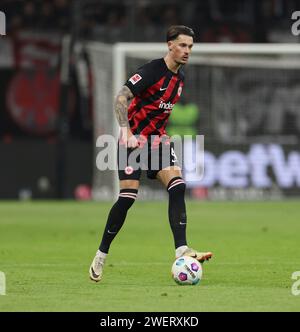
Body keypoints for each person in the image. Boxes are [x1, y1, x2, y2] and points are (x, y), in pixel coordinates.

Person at [89, 25, 213, 282]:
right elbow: (121, 98)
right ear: (169, 45)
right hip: (132, 141)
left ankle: (182, 248)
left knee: (177, 185)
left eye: (190, 46)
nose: (187, 51)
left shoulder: (180, 79)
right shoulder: (151, 71)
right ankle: (101, 253)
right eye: (182, 45)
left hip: (157, 142)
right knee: (127, 198)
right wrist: (125, 131)